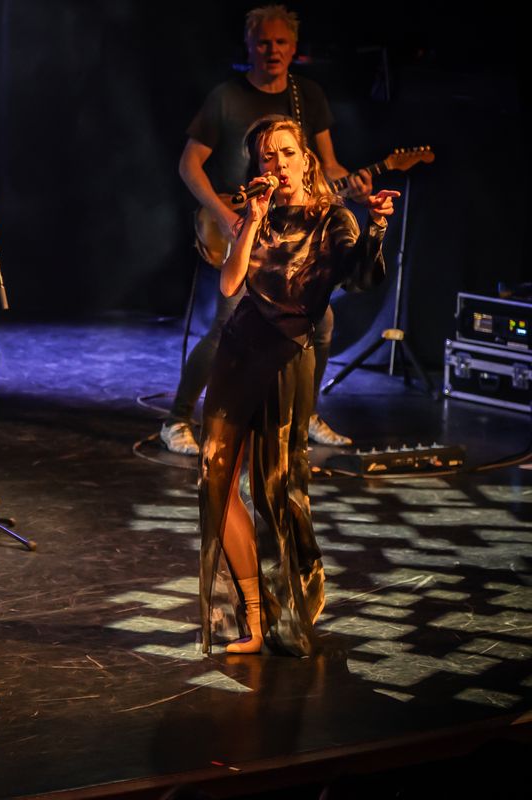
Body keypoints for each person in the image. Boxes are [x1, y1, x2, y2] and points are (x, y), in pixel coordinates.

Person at [197, 116, 397, 656]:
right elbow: (230, 283)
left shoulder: (332, 218)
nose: (278, 164)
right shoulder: (256, 215)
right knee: (214, 480)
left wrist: (377, 225)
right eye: (268, 156)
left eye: (286, 153)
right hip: (238, 353)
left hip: (287, 359)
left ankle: (293, 609)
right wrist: (251, 221)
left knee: (276, 490)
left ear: (306, 159)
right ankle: (253, 618)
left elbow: (361, 276)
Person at [160, 4, 372, 456]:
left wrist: (355, 183)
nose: (272, 50)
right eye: (263, 42)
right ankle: (177, 418)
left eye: (281, 42)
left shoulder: (307, 95)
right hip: (249, 228)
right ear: (249, 46)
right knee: (227, 324)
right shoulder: (227, 97)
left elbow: (329, 166)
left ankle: (305, 413)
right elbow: (188, 164)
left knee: (321, 323)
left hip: (296, 239)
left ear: (294, 47)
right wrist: (224, 215)